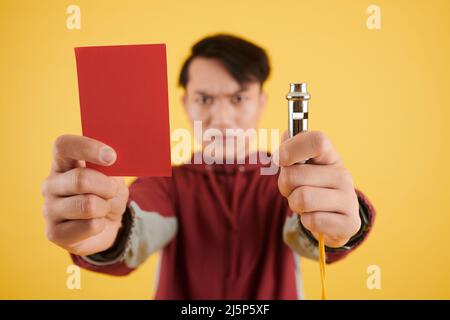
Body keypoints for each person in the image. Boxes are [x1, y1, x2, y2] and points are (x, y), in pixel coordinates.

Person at [40, 34, 375, 299]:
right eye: (205, 99)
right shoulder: (166, 183)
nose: (221, 118)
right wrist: (105, 232)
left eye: (238, 98)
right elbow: (139, 225)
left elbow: (303, 232)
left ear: (261, 102)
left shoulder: (287, 181)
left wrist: (342, 222)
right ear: (186, 103)